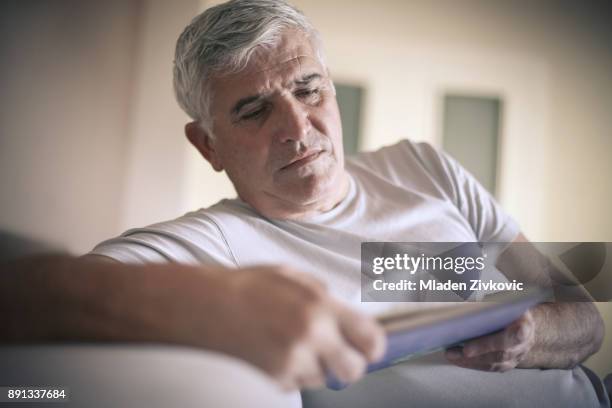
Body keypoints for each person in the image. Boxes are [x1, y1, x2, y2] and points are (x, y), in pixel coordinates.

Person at [3, 0, 606, 406]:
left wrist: (529, 337)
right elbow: (20, 293)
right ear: (207, 144)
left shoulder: (424, 166)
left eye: (306, 88)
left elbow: (584, 319)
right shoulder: (215, 243)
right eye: (253, 109)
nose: (297, 126)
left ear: (330, 89)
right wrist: (219, 302)